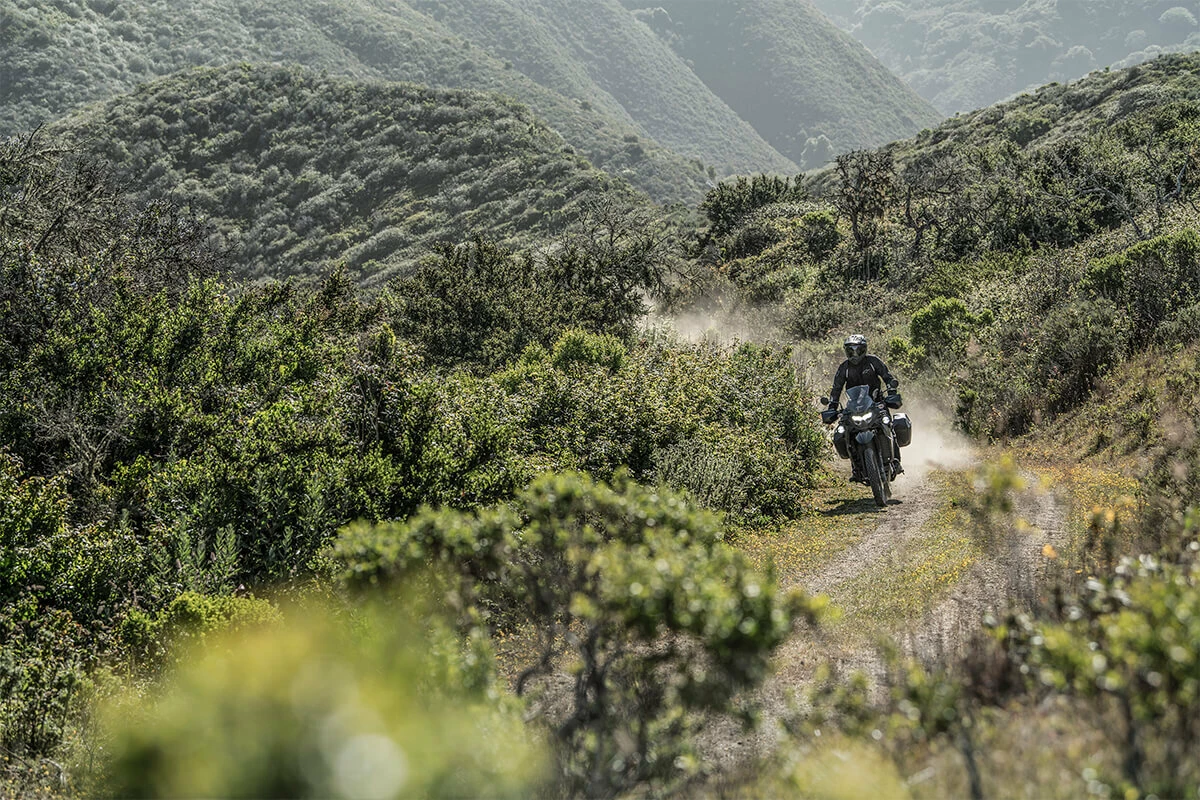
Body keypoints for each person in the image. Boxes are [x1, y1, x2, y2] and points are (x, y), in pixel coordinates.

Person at [827, 334, 903, 480]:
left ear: (864, 349)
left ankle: (896, 462)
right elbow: (836, 388)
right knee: (845, 432)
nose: (855, 354)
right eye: (851, 351)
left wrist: (891, 390)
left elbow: (887, 376)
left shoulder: (873, 362)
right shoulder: (844, 368)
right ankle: (855, 469)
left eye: (858, 350)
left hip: (876, 402)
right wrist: (832, 406)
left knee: (889, 425)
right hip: (854, 406)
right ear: (846, 352)